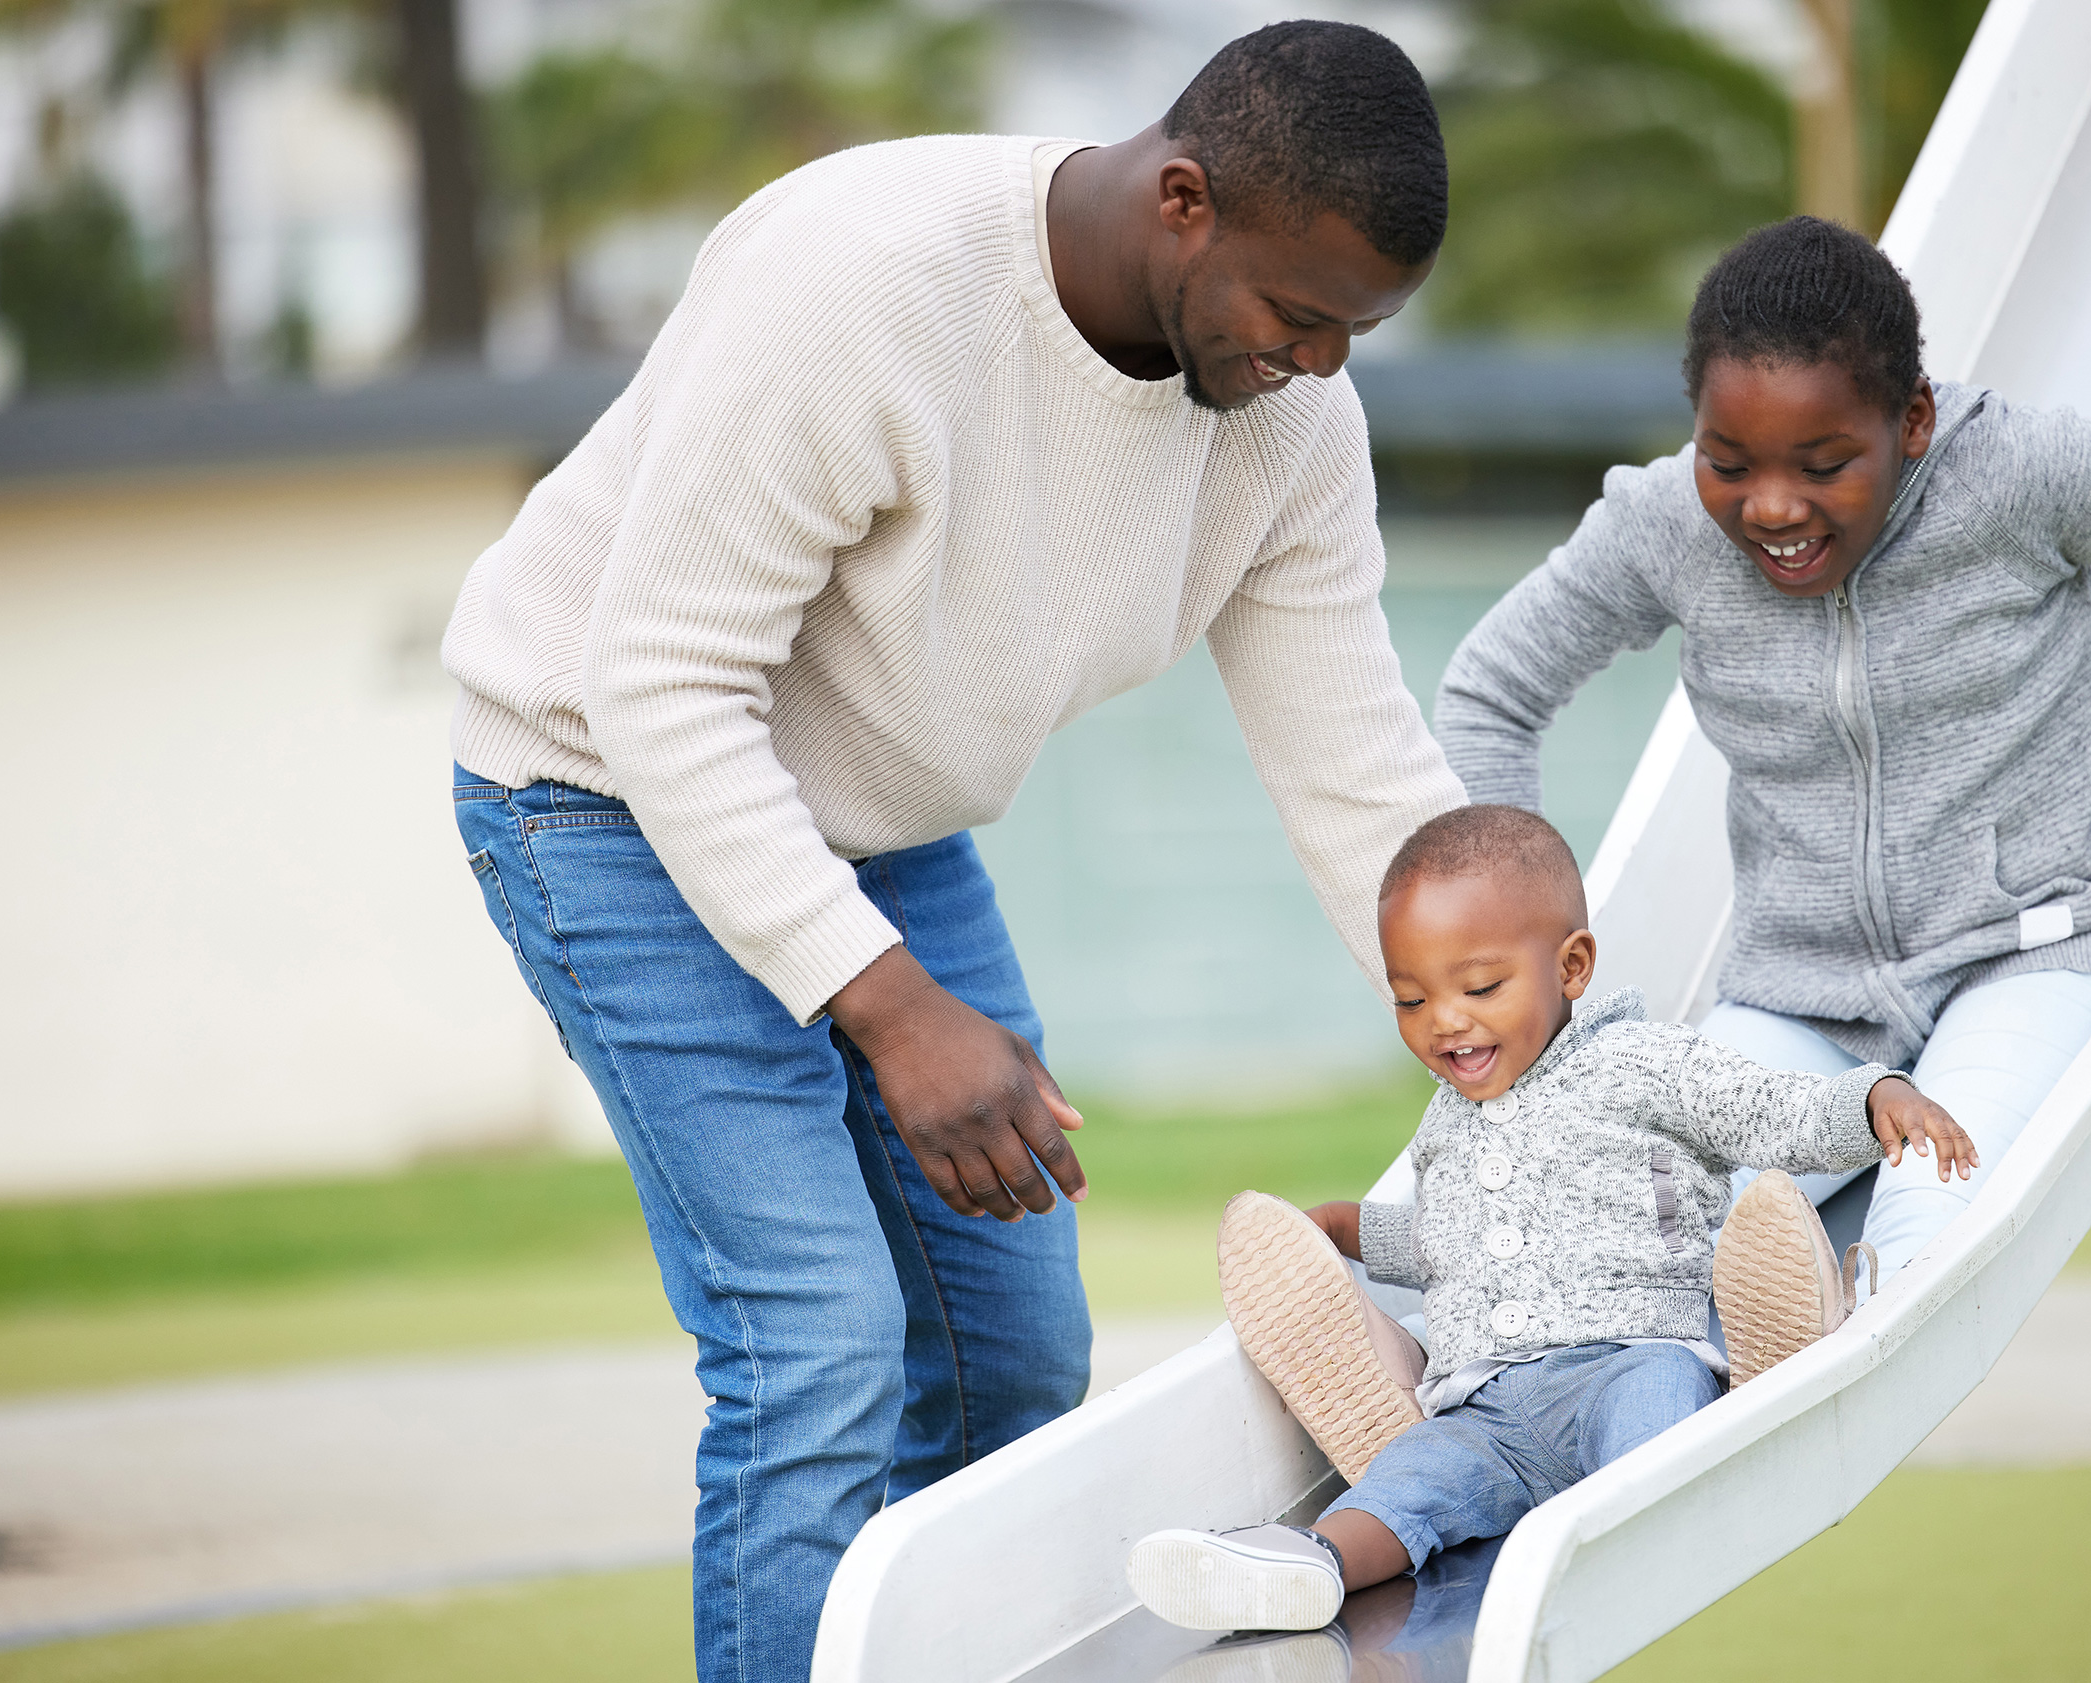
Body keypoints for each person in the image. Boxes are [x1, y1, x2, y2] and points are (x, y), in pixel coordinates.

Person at [440, 23, 1468, 1680]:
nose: (1323, 362)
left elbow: (1360, 770)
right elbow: (660, 680)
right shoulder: (863, 281)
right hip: (600, 791)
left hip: (876, 824)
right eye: (1301, 312)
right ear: (1185, 201)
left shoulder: (1287, 425)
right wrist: (893, 1006)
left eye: (1357, 329)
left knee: (1013, 1351)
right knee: (817, 1342)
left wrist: (1530, 1039)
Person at [1435, 216, 2091, 1289]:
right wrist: (1513, 955)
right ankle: (1420, 1352)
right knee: (1619, 1223)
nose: (1772, 506)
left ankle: (1819, 1308)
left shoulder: (2016, 472)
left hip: (2027, 951)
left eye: (1826, 464)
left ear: (1915, 420)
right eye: (1727, 462)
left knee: (1922, 1231)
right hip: (1801, 993)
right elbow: (1491, 691)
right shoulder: (1663, 525)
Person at [1123, 806, 1975, 1634]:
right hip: (1485, 1408)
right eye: (1411, 999)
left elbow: (1766, 1109)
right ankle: (1309, 1562)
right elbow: (1448, 1246)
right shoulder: (1446, 1121)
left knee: (1656, 1428)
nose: (1445, 1020)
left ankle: (1713, 1441)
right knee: (1406, 1477)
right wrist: (1355, 1232)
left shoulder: (1638, 1061)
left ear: (1571, 967)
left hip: (1630, 1358)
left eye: (1480, 987)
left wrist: (1871, 1097)